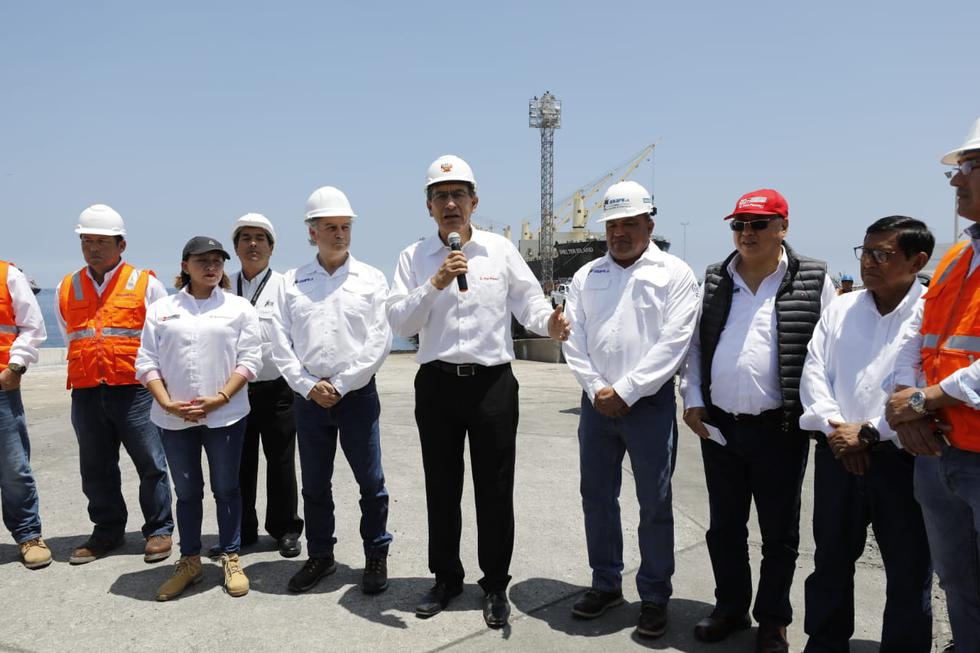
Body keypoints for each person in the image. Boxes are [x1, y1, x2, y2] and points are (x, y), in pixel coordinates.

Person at [386, 155, 570, 629]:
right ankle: (446, 578)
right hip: (437, 384)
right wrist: (436, 282)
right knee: (441, 487)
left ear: (474, 202)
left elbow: (528, 302)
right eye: (441, 196)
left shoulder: (500, 251)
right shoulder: (414, 258)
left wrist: (549, 321)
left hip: (491, 384)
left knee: (494, 488)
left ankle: (494, 585)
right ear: (429, 207)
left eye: (459, 195)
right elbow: (401, 323)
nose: (451, 204)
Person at [680, 189, 835, 653]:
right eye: (739, 225)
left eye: (758, 224)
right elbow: (695, 347)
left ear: (783, 227)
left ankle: (773, 621)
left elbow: (828, 350)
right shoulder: (713, 279)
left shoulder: (814, 279)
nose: (747, 233)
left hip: (780, 429)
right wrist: (692, 399)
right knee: (724, 527)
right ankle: (729, 608)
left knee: (779, 534)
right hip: (722, 427)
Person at [562, 181, 700, 638]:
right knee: (596, 497)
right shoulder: (586, 276)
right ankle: (606, 584)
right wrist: (599, 388)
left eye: (630, 223)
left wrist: (628, 389)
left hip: (649, 405)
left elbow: (675, 342)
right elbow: (572, 338)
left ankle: (655, 595)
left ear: (649, 224)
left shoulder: (674, 273)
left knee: (654, 502)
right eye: (613, 224)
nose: (619, 232)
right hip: (596, 404)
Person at [799, 216, 934, 652]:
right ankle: (824, 644)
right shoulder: (841, 308)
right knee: (831, 560)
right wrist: (840, 432)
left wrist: (870, 434)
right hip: (838, 454)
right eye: (866, 252)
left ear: (917, 261)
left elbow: (918, 389)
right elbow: (814, 374)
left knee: (908, 568)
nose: (870, 262)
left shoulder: (931, 312)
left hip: (903, 460)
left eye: (883, 254)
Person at [269, 187, 393, 595]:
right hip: (309, 400)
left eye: (345, 227)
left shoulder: (371, 279)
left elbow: (379, 341)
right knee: (315, 485)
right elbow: (280, 342)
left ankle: (376, 554)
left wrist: (340, 384)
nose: (339, 234)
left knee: (370, 483)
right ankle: (321, 556)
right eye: (330, 227)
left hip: (356, 397)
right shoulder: (292, 282)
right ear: (312, 232)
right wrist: (308, 386)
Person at [886, 117, 980, 652]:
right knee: (959, 581)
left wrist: (923, 400)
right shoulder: (958, 256)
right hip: (939, 450)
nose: (955, 180)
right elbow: (916, 337)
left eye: (968, 167)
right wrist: (910, 406)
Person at [135, 236, 261, 601]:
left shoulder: (239, 308)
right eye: (202, 260)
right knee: (187, 492)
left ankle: (231, 556)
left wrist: (220, 398)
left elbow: (250, 359)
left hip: (226, 416)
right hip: (174, 419)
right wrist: (168, 403)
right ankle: (189, 560)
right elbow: (146, 361)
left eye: (217, 260)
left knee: (227, 488)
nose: (211, 266)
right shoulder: (162, 309)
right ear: (184, 265)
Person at [55, 205, 174, 565]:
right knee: (95, 465)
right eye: (87, 241)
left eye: (102, 241)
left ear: (121, 245)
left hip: (135, 390)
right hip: (88, 389)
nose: (93, 248)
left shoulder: (145, 284)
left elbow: (164, 336)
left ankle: (158, 529)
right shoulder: (67, 285)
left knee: (150, 462)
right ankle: (106, 532)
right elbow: (70, 335)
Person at [227, 213, 303, 558]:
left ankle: (285, 528)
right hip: (235, 389)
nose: (253, 244)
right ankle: (243, 529)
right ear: (236, 247)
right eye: (246, 238)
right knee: (239, 462)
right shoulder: (223, 286)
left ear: (271, 247)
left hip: (277, 389)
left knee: (281, 461)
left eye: (260, 238)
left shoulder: (286, 285)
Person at [0, 260, 51, 569]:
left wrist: (15, 366)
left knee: (14, 469)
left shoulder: (8, 274)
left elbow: (32, 326)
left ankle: (28, 534)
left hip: (1, 388)